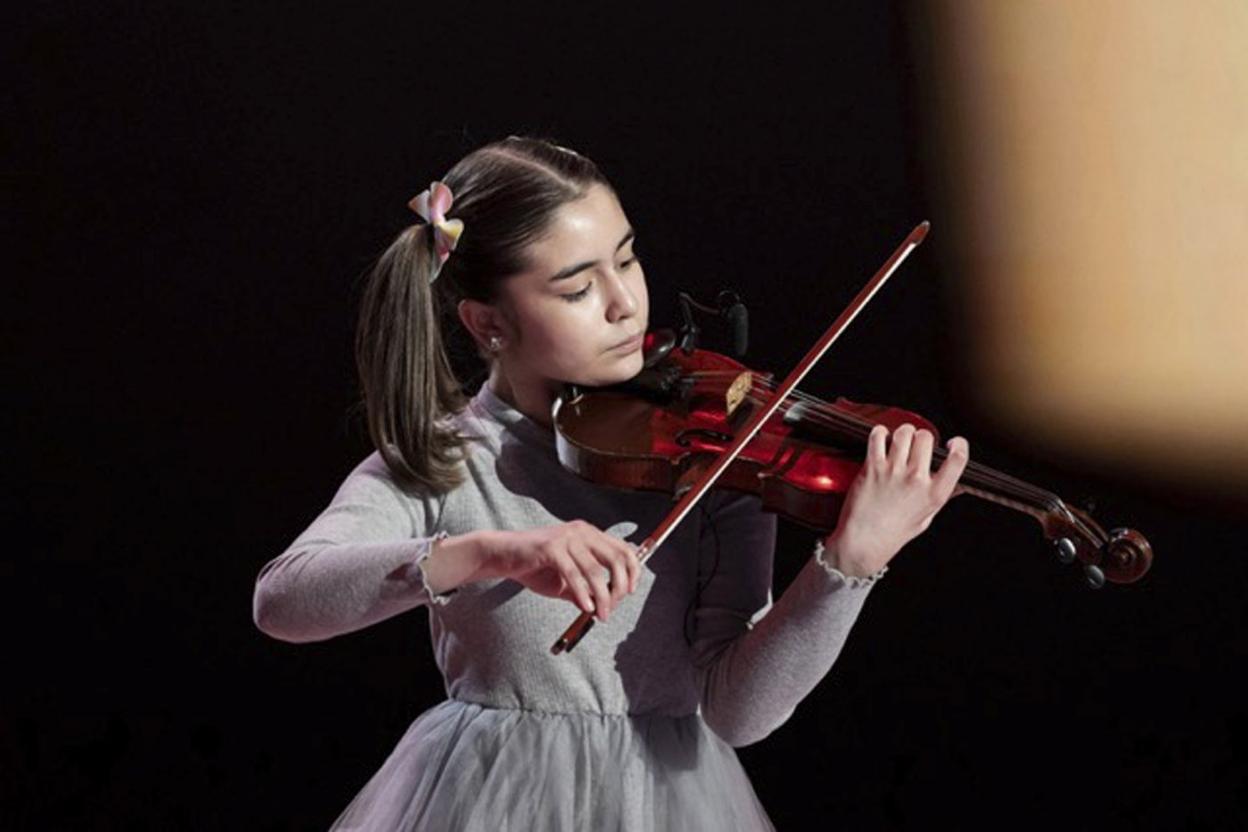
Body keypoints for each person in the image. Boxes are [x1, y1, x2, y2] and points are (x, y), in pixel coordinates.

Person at [252, 135, 970, 830]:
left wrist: (849, 565)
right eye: (577, 288)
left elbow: (738, 713)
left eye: (627, 261)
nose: (625, 303)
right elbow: (284, 599)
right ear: (488, 324)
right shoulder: (443, 459)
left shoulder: (717, 456)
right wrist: (490, 553)